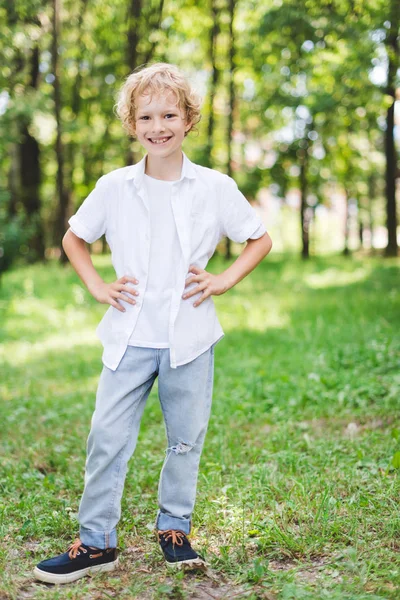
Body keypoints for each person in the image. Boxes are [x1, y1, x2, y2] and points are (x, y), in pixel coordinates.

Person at [33, 62, 272, 585]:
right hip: (129, 336)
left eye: (169, 114)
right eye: (146, 116)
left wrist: (223, 280)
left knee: (185, 438)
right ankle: (96, 543)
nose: (158, 126)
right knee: (106, 435)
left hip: (189, 336)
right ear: (131, 123)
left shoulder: (214, 186)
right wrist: (98, 286)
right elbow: (76, 238)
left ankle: (174, 529)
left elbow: (259, 238)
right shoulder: (115, 186)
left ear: (189, 120)